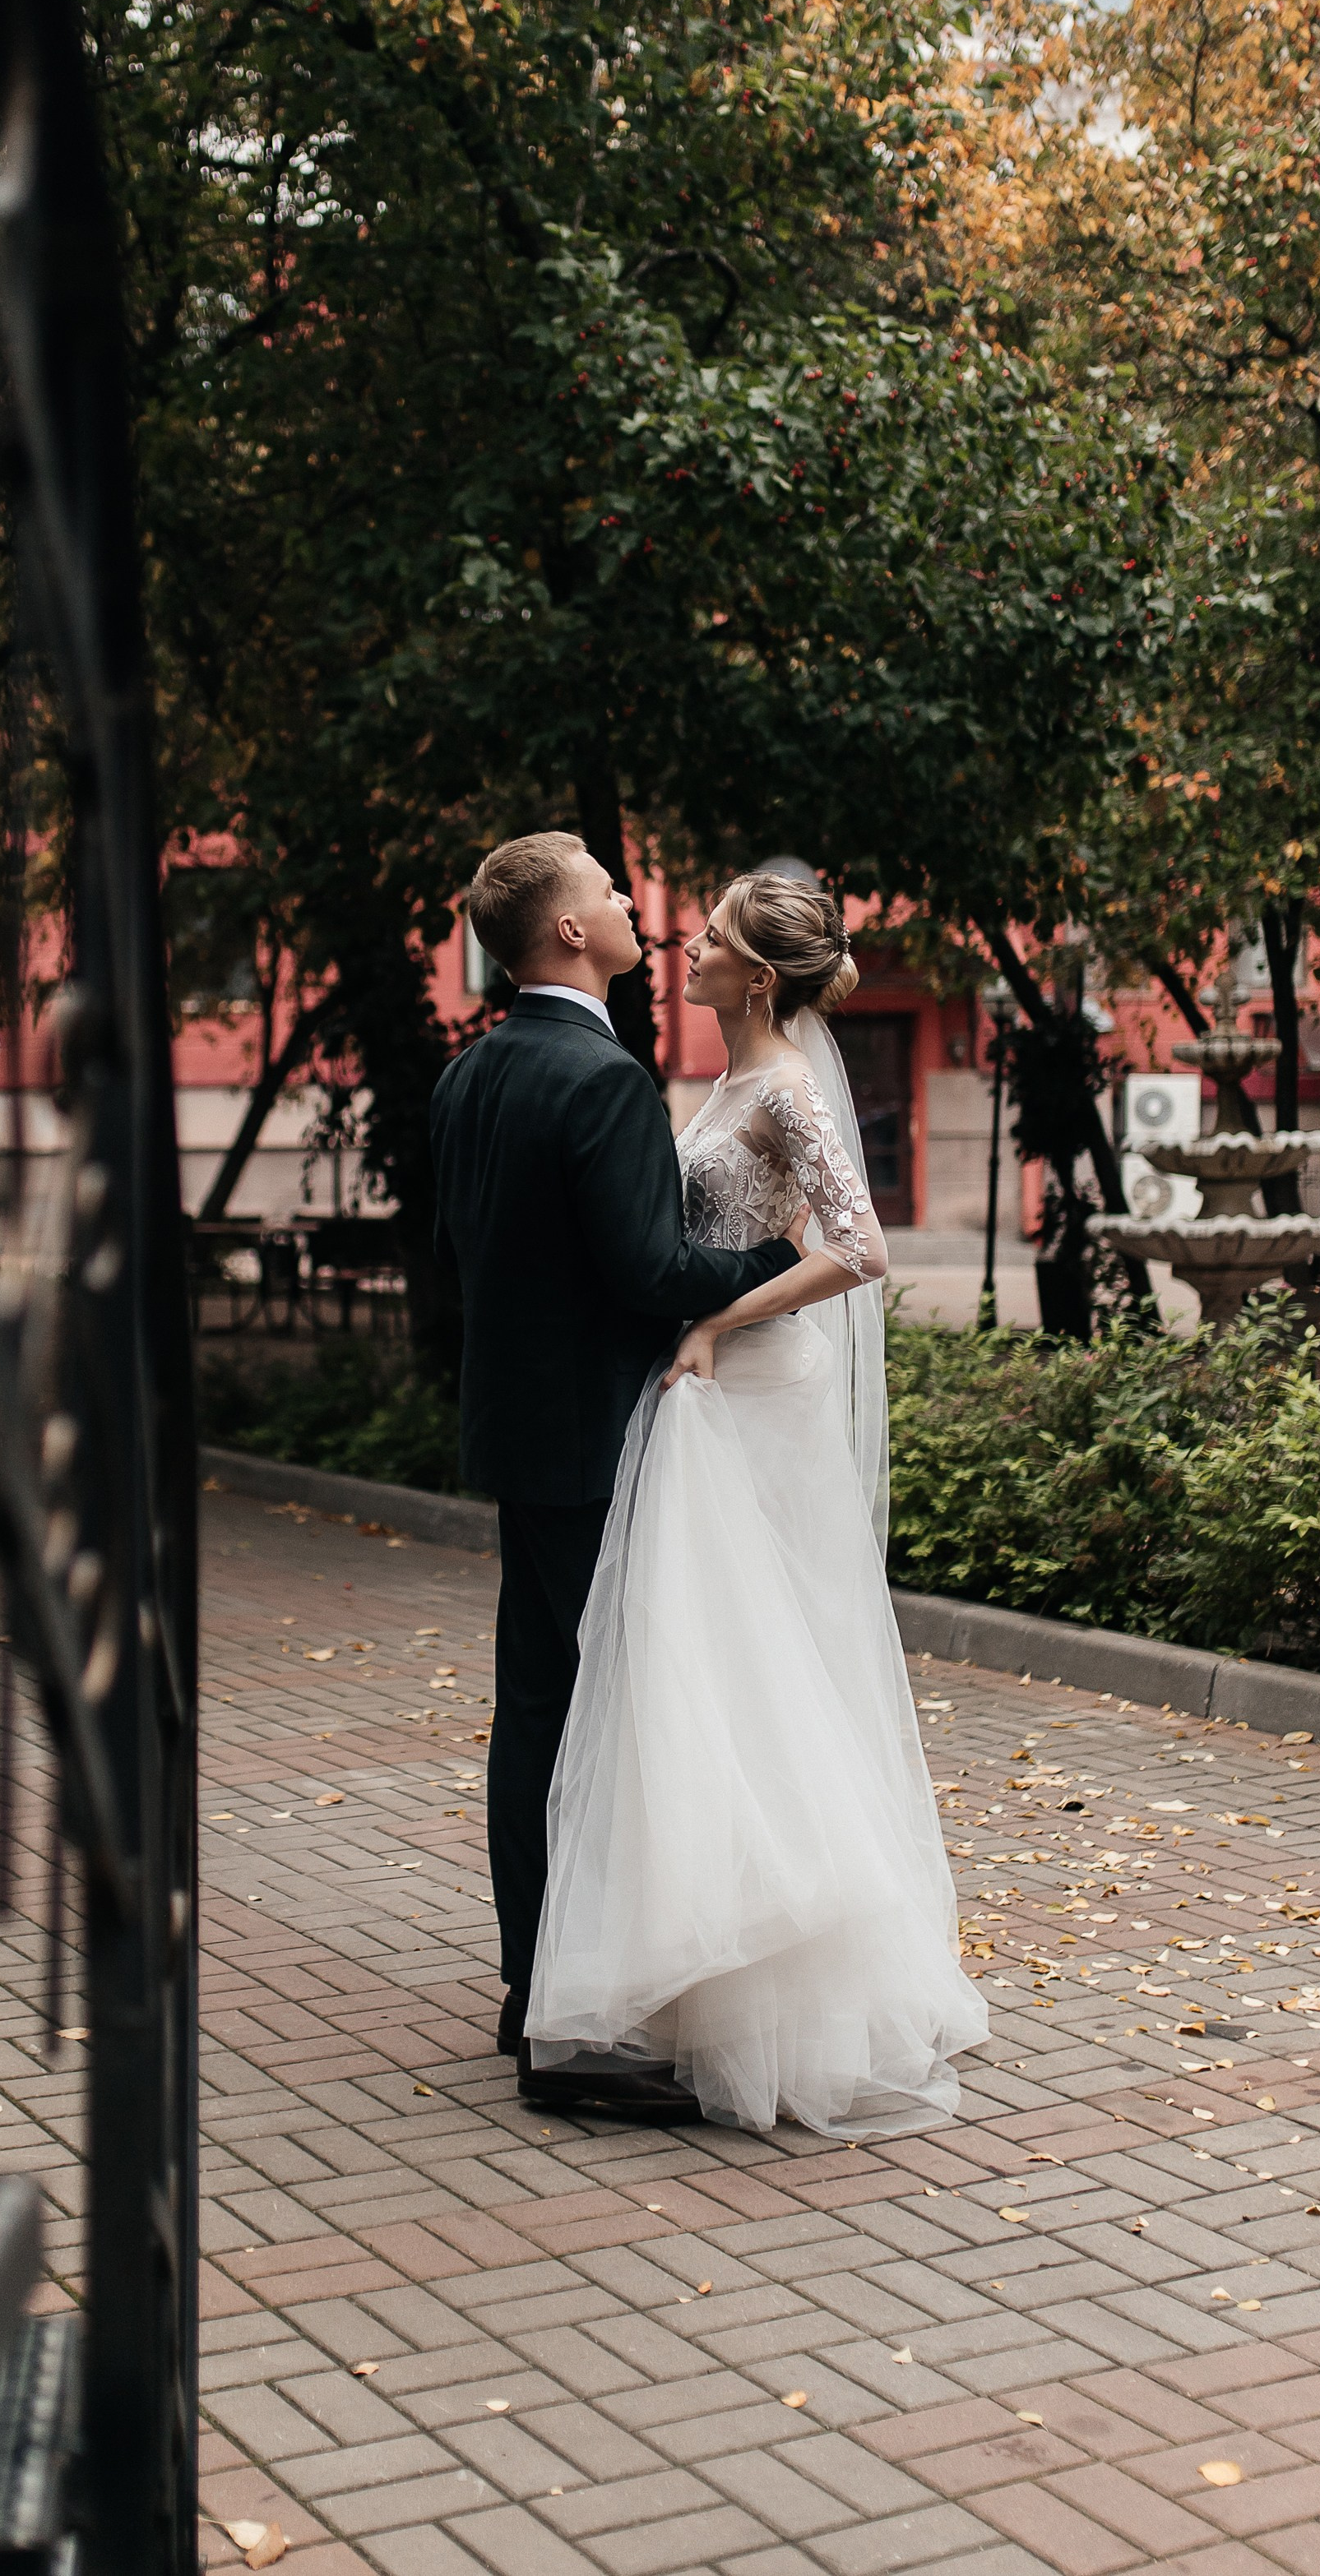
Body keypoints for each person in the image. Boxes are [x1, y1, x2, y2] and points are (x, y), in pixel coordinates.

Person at [526, 871, 989, 2134]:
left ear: (760, 975)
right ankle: (708, 1961)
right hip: (704, 1386)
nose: (689, 944)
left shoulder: (782, 1086)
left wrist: (712, 1326)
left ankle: (803, 1982)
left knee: (762, 1665)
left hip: (752, 1390)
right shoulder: (720, 1084)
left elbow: (858, 1248)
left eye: (713, 938)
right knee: (706, 1671)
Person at [428, 833, 804, 2121]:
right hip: (596, 1442)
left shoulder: (470, 1072)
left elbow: (460, 1272)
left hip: (516, 1440)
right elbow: (649, 1276)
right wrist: (768, 1263)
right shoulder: (596, 1078)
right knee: (613, 1722)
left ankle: (532, 1987)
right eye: (604, 888)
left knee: (533, 1712)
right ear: (569, 935)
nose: (628, 901)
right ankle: (574, 2046)